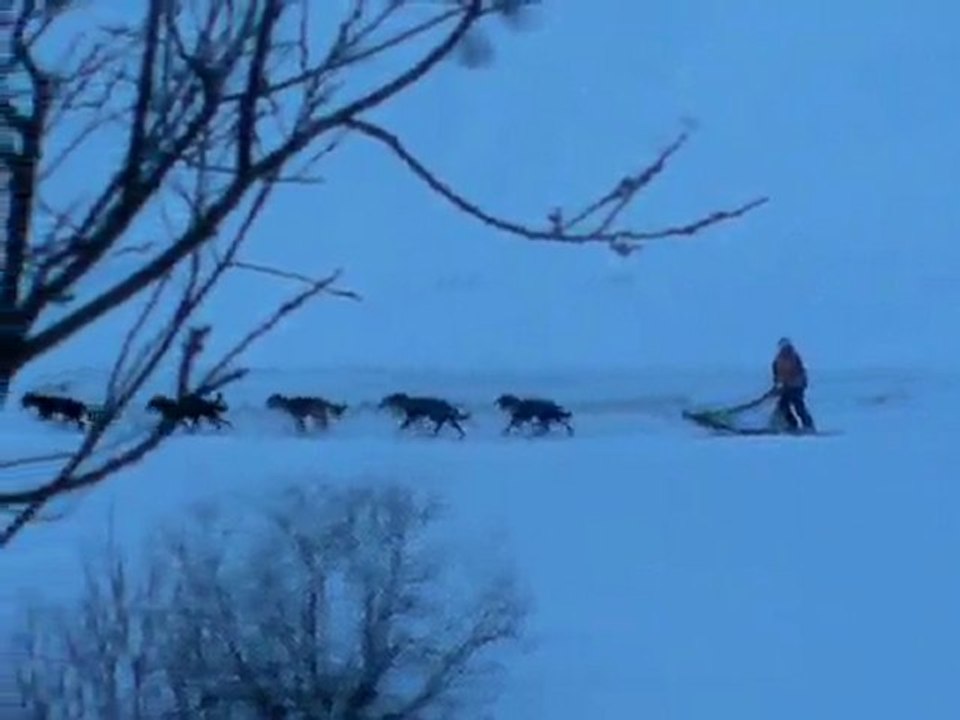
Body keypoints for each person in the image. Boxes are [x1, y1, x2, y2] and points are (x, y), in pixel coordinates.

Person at [770, 337, 816, 432]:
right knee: (783, 407)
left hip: (796, 387)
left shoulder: (794, 358)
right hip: (785, 388)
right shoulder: (777, 360)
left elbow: (800, 372)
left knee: (798, 407)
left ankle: (808, 426)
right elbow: (776, 374)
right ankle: (792, 425)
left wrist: (798, 383)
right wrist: (777, 385)